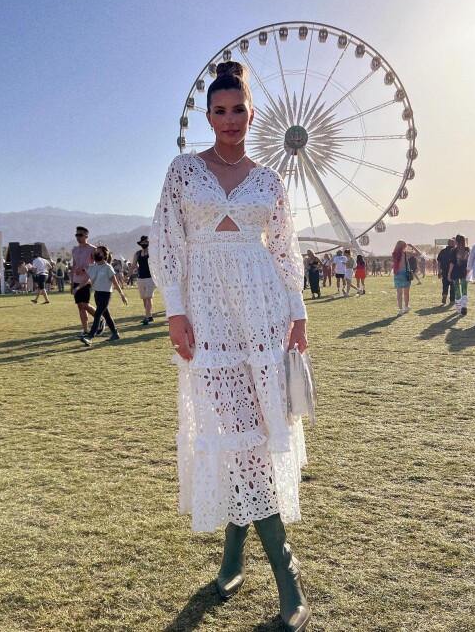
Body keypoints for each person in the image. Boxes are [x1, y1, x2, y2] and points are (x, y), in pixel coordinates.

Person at [149, 61, 311, 631]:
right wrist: (175, 309)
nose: (229, 121)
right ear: (207, 115)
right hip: (209, 322)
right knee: (238, 439)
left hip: (264, 316)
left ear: (251, 113)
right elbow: (168, 241)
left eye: (238, 110)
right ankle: (284, 578)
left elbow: (286, 253)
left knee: (255, 441)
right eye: (219, 112)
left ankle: (235, 568)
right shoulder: (183, 171)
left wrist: (299, 316)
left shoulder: (270, 181)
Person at [73, 245, 127, 346]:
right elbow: (85, 280)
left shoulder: (108, 267)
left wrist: (122, 294)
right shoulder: (92, 268)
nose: (97, 253)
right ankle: (115, 333)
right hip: (97, 294)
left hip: (106, 294)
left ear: (105, 255)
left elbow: (115, 282)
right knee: (106, 314)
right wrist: (77, 288)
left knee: (98, 314)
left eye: (100, 252)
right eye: (96, 252)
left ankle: (90, 337)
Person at [71, 227, 104, 337]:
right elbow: (74, 265)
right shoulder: (74, 250)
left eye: (80, 235)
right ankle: (85, 330)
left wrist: (84, 269)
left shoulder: (92, 249)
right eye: (77, 235)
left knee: (85, 304)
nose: (78, 237)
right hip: (76, 280)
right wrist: (71, 282)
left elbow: (97, 264)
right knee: (80, 306)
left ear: (86, 236)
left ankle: (100, 320)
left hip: (87, 280)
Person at [127, 236, 156, 325]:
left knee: (148, 297)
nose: (144, 243)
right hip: (141, 278)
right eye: (143, 242)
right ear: (140, 243)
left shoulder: (152, 252)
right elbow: (133, 265)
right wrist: (128, 276)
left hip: (150, 278)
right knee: (144, 298)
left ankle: (147, 317)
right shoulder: (137, 254)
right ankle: (149, 316)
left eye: (146, 242)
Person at [448, 234, 470, 315]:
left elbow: (452, 263)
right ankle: (464, 305)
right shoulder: (467, 249)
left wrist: (449, 273)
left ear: (456, 241)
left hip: (455, 272)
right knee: (464, 289)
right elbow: (469, 262)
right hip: (464, 272)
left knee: (457, 290)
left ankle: (458, 307)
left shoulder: (453, 251)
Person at [392, 240, 412, 315]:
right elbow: (418, 253)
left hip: (397, 274)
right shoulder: (405, 253)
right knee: (406, 292)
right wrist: (412, 247)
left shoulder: (394, 254)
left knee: (399, 293)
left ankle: (400, 309)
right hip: (405, 274)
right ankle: (406, 306)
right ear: (404, 246)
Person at [436, 239, 456, 305]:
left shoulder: (443, 251)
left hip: (444, 271)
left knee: (445, 284)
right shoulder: (454, 251)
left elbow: (439, 262)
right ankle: (452, 300)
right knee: (453, 286)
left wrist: (439, 271)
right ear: (452, 244)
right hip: (453, 271)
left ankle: (444, 295)